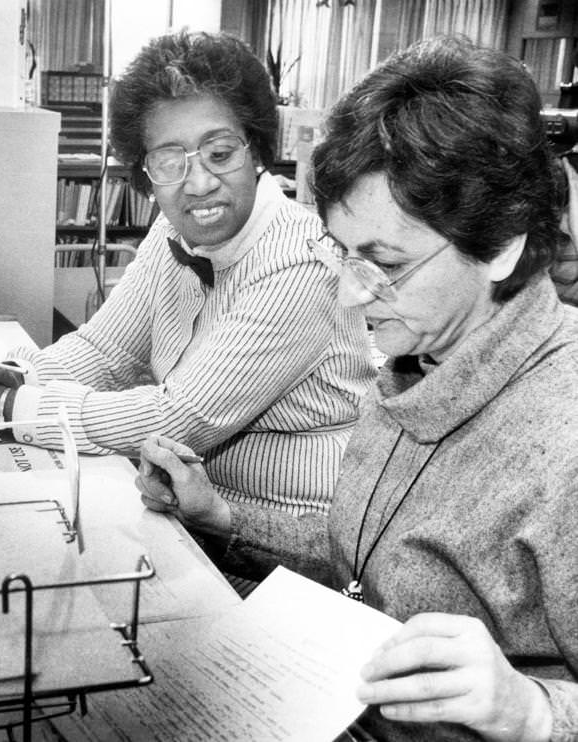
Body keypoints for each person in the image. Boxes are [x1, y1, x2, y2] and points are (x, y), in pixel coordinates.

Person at [136, 36, 578, 741]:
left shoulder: (567, 437)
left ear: (502, 245)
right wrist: (225, 519)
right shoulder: (420, 352)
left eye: (384, 263)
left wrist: (531, 712)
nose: (349, 294)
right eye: (339, 252)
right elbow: (368, 566)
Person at [0, 30, 375, 525]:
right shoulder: (170, 230)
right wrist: (4, 373)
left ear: (256, 149)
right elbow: (104, 353)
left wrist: (7, 406)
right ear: (144, 172)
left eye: (220, 154)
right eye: (169, 163)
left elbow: (180, 418)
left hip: (288, 531)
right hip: (184, 506)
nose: (198, 184)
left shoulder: (299, 260)